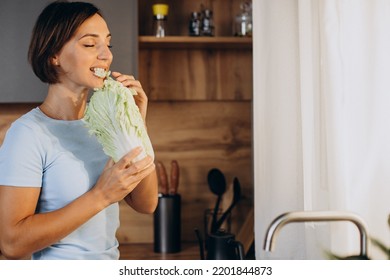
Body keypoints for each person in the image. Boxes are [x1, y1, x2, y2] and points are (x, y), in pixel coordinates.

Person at [0, 1, 158, 260]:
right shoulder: (27, 135)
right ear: (54, 55)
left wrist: (136, 125)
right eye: (89, 44)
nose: (106, 55)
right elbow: (12, 243)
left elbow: (146, 203)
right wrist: (101, 195)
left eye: (108, 44)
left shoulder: (106, 124)